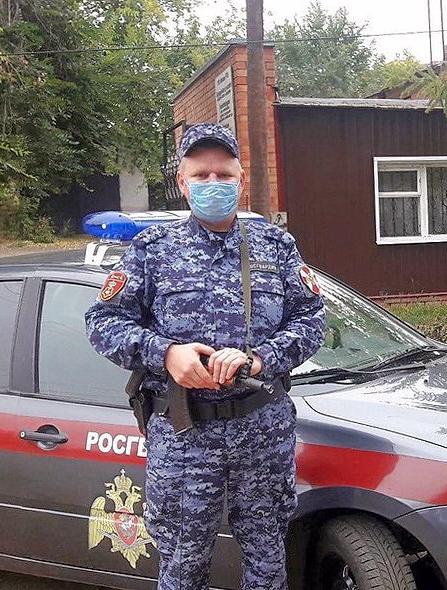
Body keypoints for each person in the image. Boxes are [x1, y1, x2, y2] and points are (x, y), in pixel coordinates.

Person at [85, 123, 326, 589]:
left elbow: (312, 320)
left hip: (262, 432)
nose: (213, 184)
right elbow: (103, 322)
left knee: (267, 560)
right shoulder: (152, 251)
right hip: (184, 437)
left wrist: (262, 358)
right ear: (182, 182)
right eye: (201, 175)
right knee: (182, 564)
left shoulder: (276, 247)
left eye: (223, 175)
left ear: (241, 179)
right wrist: (166, 354)